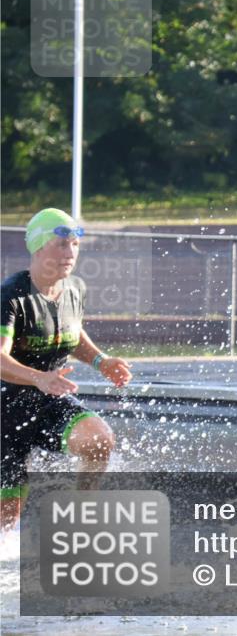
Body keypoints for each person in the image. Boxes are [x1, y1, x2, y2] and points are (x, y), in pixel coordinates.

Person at [1, 209, 132, 530]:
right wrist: (38, 378)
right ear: (38, 247)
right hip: (5, 409)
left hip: (48, 398)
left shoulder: (74, 289)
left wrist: (101, 361)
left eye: (74, 244)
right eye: (61, 244)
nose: (70, 252)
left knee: (99, 440)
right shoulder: (11, 296)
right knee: (6, 521)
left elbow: (71, 334)